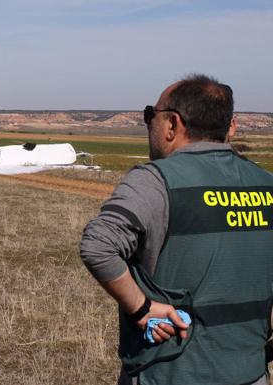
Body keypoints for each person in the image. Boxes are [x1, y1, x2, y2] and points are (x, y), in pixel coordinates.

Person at [80, 74, 273, 385]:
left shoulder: (155, 180)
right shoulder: (265, 184)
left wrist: (141, 308)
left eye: (149, 116)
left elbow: (98, 244)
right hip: (249, 373)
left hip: (168, 372)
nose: (149, 125)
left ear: (172, 124)